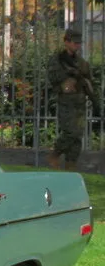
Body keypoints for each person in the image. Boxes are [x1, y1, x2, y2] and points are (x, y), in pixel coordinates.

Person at [47, 26, 97, 171]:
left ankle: (71, 164)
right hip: (66, 102)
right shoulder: (57, 60)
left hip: (80, 102)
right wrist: (68, 78)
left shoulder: (82, 63)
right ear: (66, 42)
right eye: (74, 42)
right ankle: (55, 154)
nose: (77, 45)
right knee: (71, 132)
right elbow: (53, 78)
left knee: (77, 136)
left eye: (79, 43)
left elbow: (89, 81)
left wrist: (94, 98)